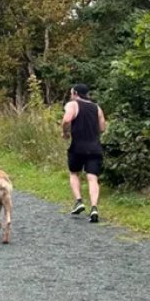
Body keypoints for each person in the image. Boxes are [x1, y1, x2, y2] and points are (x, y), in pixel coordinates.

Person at [62, 83, 106, 223]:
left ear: (75, 93)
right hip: (95, 147)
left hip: (78, 147)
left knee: (74, 173)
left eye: (71, 92)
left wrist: (65, 132)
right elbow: (103, 127)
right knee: (92, 178)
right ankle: (94, 207)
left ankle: (79, 201)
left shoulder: (73, 104)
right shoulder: (96, 107)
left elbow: (67, 119)